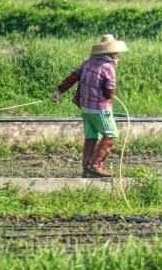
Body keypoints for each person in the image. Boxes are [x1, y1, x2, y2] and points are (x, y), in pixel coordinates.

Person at [51, 34, 128, 178]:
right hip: (100, 109)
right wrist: (112, 91)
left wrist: (58, 91)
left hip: (86, 108)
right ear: (111, 54)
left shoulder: (87, 63)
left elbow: (72, 78)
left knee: (91, 135)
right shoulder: (108, 67)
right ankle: (96, 165)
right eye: (117, 54)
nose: (118, 57)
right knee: (110, 135)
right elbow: (109, 92)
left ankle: (87, 169)